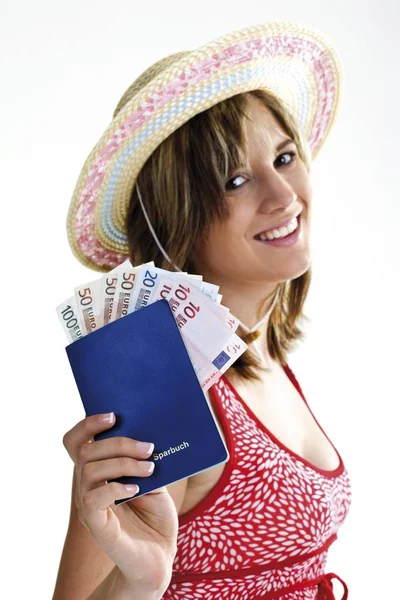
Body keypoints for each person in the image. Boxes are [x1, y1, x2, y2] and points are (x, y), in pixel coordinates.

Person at [53, 22, 352, 600]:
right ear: (179, 220)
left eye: (285, 157)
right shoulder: (165, 397)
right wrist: (140, 578)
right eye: (236, 180)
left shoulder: (264, 358)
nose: (283, 195)